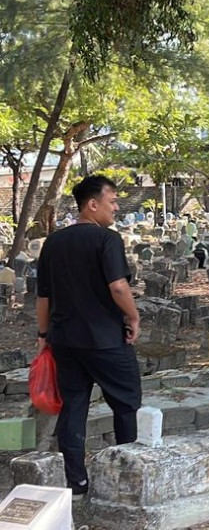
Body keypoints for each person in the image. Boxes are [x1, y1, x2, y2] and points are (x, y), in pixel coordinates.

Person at [36, 175, 142, 495]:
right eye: (112, 202)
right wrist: (133, 316)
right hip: (105, 339)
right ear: (92, 204)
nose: (117, 207)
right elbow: (118, 286)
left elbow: (44, 298)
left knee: (74, 405)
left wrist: (43, 335)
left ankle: (75, 480)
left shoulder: (53, 242)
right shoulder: (106, 239)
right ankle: (130, 472)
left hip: (65, 339)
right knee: (126, 404)